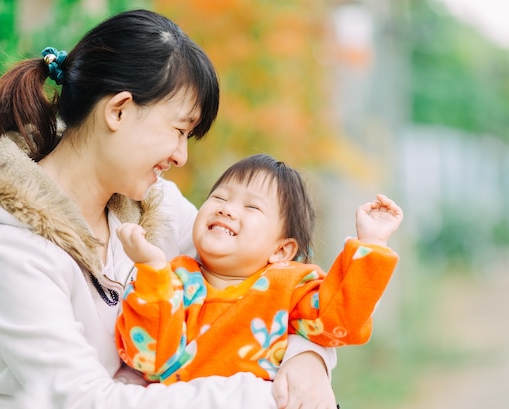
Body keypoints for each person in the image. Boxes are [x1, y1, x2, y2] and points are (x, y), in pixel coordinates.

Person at [0, 9, 338, 409]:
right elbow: (86, 403)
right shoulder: (11, 250)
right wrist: (263, 396)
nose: (182, 156)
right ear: (118, 110)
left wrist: (308, 358)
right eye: (180, 130)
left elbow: (268, 287)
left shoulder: (154, 207)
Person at [115, 153, 403, 385]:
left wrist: (371, 243)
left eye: (252, 207)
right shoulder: (173, 281)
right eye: (219, 198)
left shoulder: (287, 287)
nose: (227, 209)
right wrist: (150, 268)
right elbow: (147, 359)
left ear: (281, 250)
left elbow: (339, 319)